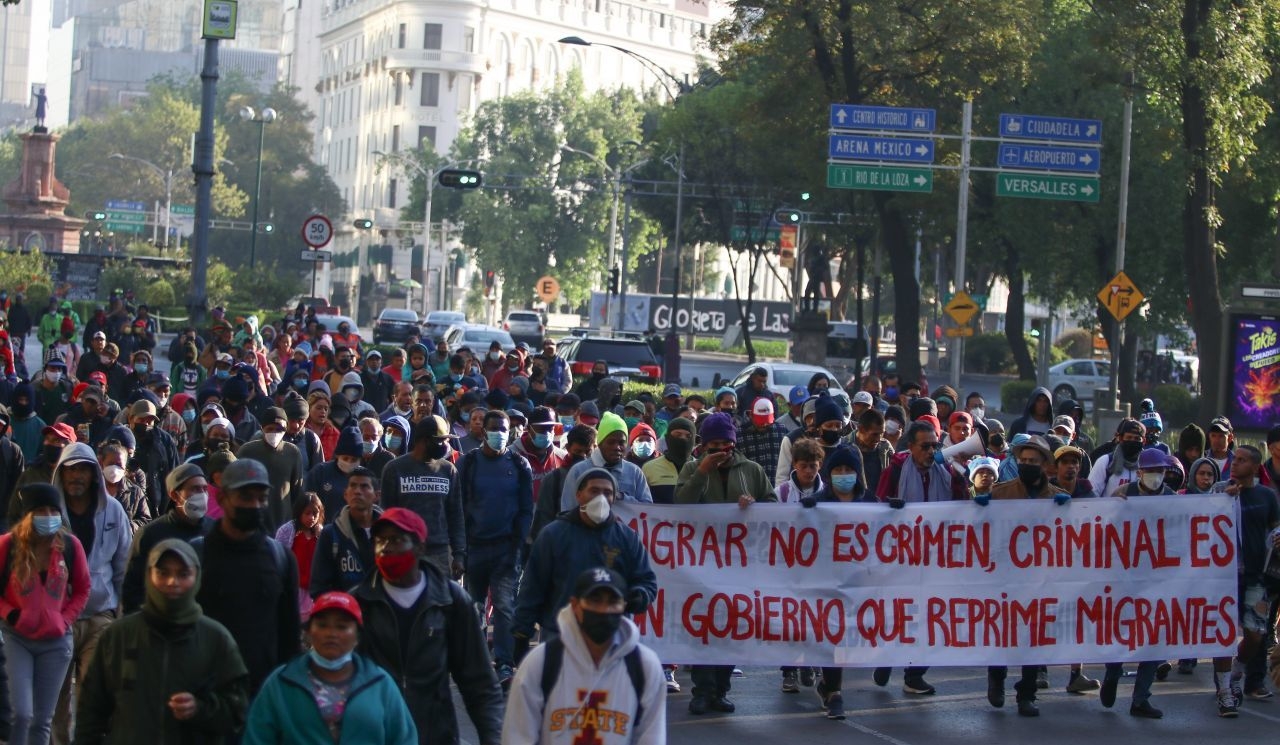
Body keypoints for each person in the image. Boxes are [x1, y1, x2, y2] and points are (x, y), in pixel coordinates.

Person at [352, 508, 504, 745]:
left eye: (396, 540)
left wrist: (493, 737)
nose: (386, 548)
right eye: (380, 541)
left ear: (420, 547)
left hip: (435, 734)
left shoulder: (451, 602)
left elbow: (480, 683)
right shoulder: (359, 603)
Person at [74, 539, 249, 744]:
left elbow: (237, 709)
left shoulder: (216, 639)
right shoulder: (118, 636)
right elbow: (90, 712)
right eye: (163, 573)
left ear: (197, 577)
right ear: (149, 575)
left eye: (183, 574)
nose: (172, 582)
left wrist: (200, 709)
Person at [675, 412, 775, 714]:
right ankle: (702, 691)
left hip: (739, 565)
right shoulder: (692, 468)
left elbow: (773, 508)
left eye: (726, 445)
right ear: (704, 446)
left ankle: (720, 690)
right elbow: (681, 506)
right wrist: (702, 473)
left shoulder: (753, 470)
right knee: (705, 627)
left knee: (731, 628)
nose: (721, 452)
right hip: (701, 565)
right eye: (713, 446)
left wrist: (754, 507)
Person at [503, 567, 666, 745]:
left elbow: (652, 737)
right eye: (595, 601)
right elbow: (517, 737)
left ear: (624, 606)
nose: (604, 610)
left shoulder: (644, 666)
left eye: (613, 602)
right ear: (575, 606)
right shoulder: (541, 663)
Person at [244, 591, 417, 744]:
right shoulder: (280, 683)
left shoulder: (380, 683)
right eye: (322, 625)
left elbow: (404, 738)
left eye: (342, 626)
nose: (331, 633)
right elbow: (257, 738)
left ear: (357, 636)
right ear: (309, 632)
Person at [195, 458, 301, 695]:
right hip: (206, 700)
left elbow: (289, 637)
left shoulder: (281, 559)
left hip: (263, 696)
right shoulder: (196, 556)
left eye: (261, 498)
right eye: (245, 497)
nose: (254, 505)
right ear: (222, 499)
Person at [50, 442, 132, 745]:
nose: (77, 476)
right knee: (56, 696)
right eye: (71, 469)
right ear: (61, 473)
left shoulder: (113, 510)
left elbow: (123, 563)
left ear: (94, 473)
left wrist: (121, 614)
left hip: (101, 614)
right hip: (58, 618)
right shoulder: (50, 512)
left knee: (95, 692)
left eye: (83, 469)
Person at [1, 484, 90, 745]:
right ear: (28, 514)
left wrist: (64, 619)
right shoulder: (8, 546)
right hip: (17, 638)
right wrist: (10, 613)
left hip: (56, 642)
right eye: (41, 510)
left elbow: (83, 588)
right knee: (21, 714)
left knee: (42, 719)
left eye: (53, 510)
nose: (49, 516)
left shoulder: (70, 546)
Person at [459, 409, 533, 689]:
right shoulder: (468, 463)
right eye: (494, 429)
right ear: (483, 431)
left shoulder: (519, 464)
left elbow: (526, 510)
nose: (500, 434)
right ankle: (476, 662)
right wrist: (461, 549)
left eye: (504, 429)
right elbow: (460, 506)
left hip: (506, 549)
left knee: (504, 608)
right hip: (475, 547)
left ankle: (504, 663)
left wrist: (518, 545)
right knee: (474, 608)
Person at [794, 444, 865, 718]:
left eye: (849, 470)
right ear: (830, 472)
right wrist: (804, 513)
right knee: (832, 633)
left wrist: (896, 511)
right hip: (826, 580)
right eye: (838, 470)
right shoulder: (816, 505)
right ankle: (834, 690)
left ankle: (828, 685)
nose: (844, 474)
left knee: (849, 634)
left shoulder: (871, 502)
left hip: (859, 581)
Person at [1210, 445, 1279, 716]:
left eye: (1241, 461)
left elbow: (1275, 526)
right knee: (1224, 636)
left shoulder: (1266, 495)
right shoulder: (1219, 491)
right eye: (1234, 460)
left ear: (1254, 466)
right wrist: (1222, 502)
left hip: (1254, 577)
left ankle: (1237, 670)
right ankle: (1225, 692)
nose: (1235, 464)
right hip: (1223, 578)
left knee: (1255, 635)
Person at [380, 415, 466, 577]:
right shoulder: (395, 469)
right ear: (424, 440)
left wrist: (459, 554)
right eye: (441, 441)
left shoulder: (448, 470)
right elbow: (386, 515)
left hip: (439, 553)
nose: (445, 445)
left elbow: (456, 515)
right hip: (404, 551)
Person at [121, 463, 213, 613]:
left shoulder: (214, 530)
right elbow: (132, 589)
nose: (202, 495)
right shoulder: (150, 534)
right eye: (195, 489)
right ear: (175, 495)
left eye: (204, 489)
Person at [558, 412, 653, 512]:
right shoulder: (579, 470)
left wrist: (621, 497)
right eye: (611, 442)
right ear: (600, 443)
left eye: (621, 442)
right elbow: (568, 510)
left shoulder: (635, 472)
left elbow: (647, 512)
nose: (617, 447)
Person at [310, 467, 381, 597]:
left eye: (364, 486)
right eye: (353, 486)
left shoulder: (388, 534)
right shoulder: (330, 535)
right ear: (345, 494)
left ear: (376, 495)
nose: (357, 491)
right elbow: (318, 588)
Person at [236, 407, 305, 534]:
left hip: (283, 526)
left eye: (279, 429)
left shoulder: (293, 453)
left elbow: (297, 492)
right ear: (262, 428)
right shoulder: (247, 451)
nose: (274, 433)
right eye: (270, 429)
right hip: (253, 525)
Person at [275, 492, 325, 622]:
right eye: (307, 513)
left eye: (315, 513)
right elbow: (278, 560)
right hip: (294, 590)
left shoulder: (322, 534)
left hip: (313, 591)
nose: (311, 517)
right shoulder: (287, 532)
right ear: (299, 512)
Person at [1088, 419, 1145, 498]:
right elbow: (1092, 494)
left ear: (1144, 441)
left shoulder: (1147, 466)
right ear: (1120, 439)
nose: (1132, 441)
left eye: (1137, 439)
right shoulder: (1105, 462)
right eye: (1129, 437)